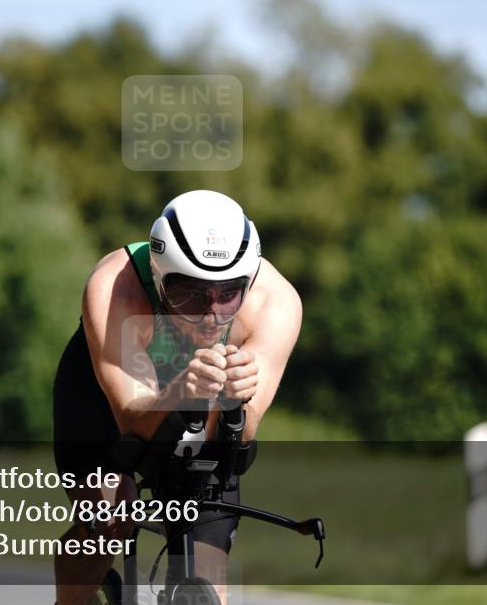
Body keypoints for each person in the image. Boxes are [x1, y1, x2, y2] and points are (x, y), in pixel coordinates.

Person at [52, 189, 302, 605]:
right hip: (107, 397)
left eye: (228, 295)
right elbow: (132, 421)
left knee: (206, 571)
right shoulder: (115, 287)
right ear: (159, 275)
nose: (211, 314)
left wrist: (234, 399)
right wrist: (181, 391)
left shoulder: (276, 303)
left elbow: (238, 439)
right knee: (112, 516)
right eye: (191, 294)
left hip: (203, 408)